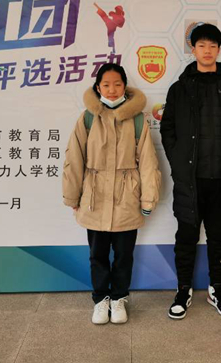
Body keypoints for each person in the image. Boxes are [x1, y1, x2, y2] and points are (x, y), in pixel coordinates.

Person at [160, 23, 221, 319]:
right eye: (202, 45)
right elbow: (168, 128)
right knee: (186, 237)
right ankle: (183, 289)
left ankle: (216, 288)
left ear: (219, 49)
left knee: (218, 237)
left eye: (212, 46)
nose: (207, 50)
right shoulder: (180, 89)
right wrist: (177, 161)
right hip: (191, 180)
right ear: (194, 49)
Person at [63, 63, 161, 325]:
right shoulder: (87, 118)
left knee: (123, 255)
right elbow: (74, 158)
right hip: (94, 199)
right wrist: (72, 196)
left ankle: (118, 298)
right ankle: (100, 299)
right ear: (98, 87)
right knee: (97, 255)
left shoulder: (137, 119)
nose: (112, 89)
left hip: (126, 198)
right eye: (106, 84)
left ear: (125, 87)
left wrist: (148, 198)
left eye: (117, 84)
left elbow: (148, 161)